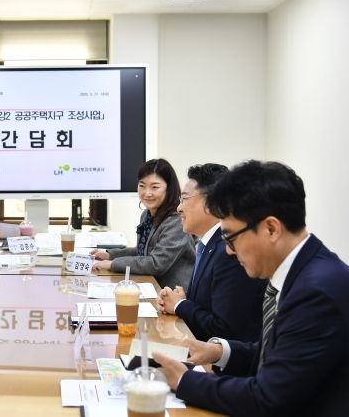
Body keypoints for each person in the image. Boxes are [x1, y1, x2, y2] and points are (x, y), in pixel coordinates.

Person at [153, 160, 349, 417]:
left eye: (231, 237)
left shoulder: (317, 292)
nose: (228, 251)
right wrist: (219, 351)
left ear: (271, 228)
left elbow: (268, 398)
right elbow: (279, 351)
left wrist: (184, 380)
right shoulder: (305, 269)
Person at [156, 163, 266, 341]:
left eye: (184, 199)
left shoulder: (230, 250)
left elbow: (224, 329)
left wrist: (180, 305)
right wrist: (184, 300)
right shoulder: (208, 243)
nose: (179, 208)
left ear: (211, 203)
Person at [91, 158, 194, 289]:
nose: (147, 193)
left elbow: (156, 263)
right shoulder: (147, 214)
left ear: (169, 188)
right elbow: (142, 251)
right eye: (142, 186)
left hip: (174, 293)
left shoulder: (177, 221)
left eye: (155, 187)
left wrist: (112, 264)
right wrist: (109, 255)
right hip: (150, 285)